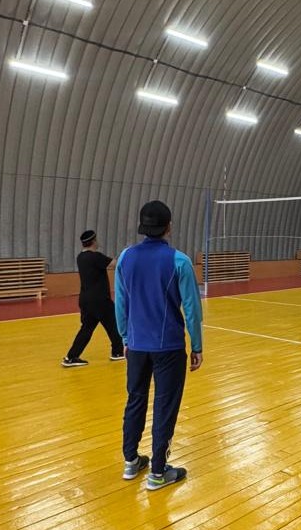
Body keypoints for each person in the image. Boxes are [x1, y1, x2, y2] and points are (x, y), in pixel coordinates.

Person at [116, 201, 203, 491]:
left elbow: (121, 303)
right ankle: (157, 472)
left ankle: (131, 461)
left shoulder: (125, 257)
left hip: (136, 346)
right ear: (169, 227)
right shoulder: (180, 261)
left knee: (135, 399)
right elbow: (192, 309)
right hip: (168, 348)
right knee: (165, 406)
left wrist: (125, 338)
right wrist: (197, 346)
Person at [62, 230, 125, 367]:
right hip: (100, 299)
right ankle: (117, 352)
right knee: (114, 325)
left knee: (86, 328)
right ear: (93, 241)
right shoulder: (96, 257)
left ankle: (71, 357)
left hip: (85, 299)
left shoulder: (80, 257)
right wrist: (125, 255)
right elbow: (115, 264)